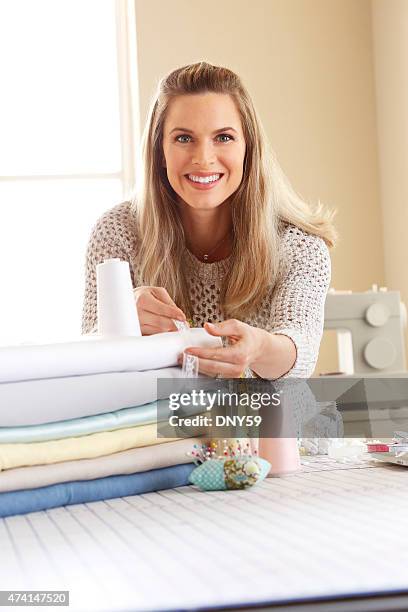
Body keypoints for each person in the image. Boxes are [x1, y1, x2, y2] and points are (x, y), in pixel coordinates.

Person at [82, 61, 336, 380]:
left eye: (224, 137)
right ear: (160, 150)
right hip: (162, 425)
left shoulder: (297, 244)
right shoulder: (116, 232)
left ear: (249, 148)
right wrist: (120, 320)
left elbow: (300, 352)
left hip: (265, 424)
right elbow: (88, 358)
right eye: (184, 138)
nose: (203, 158)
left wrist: (258, 348)